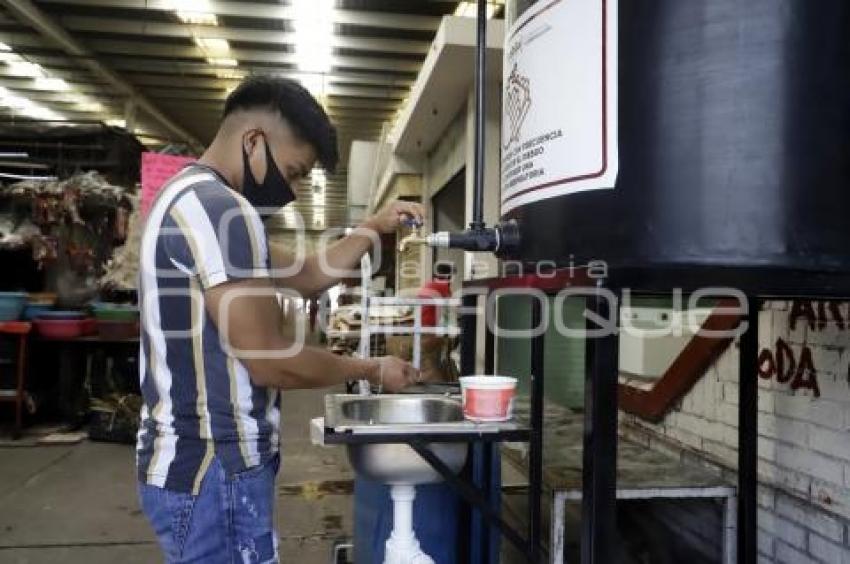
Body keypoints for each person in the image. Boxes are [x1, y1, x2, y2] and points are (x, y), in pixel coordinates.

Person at [136, 76, 424, 563]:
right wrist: (371, 370)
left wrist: (373, 228)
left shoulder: (187, 199)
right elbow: (271, 363)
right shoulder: (221, 209)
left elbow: (310, 274)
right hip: (215, 465)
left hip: (195, 466)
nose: (291, 191)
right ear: (253, 140)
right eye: (293, 172)